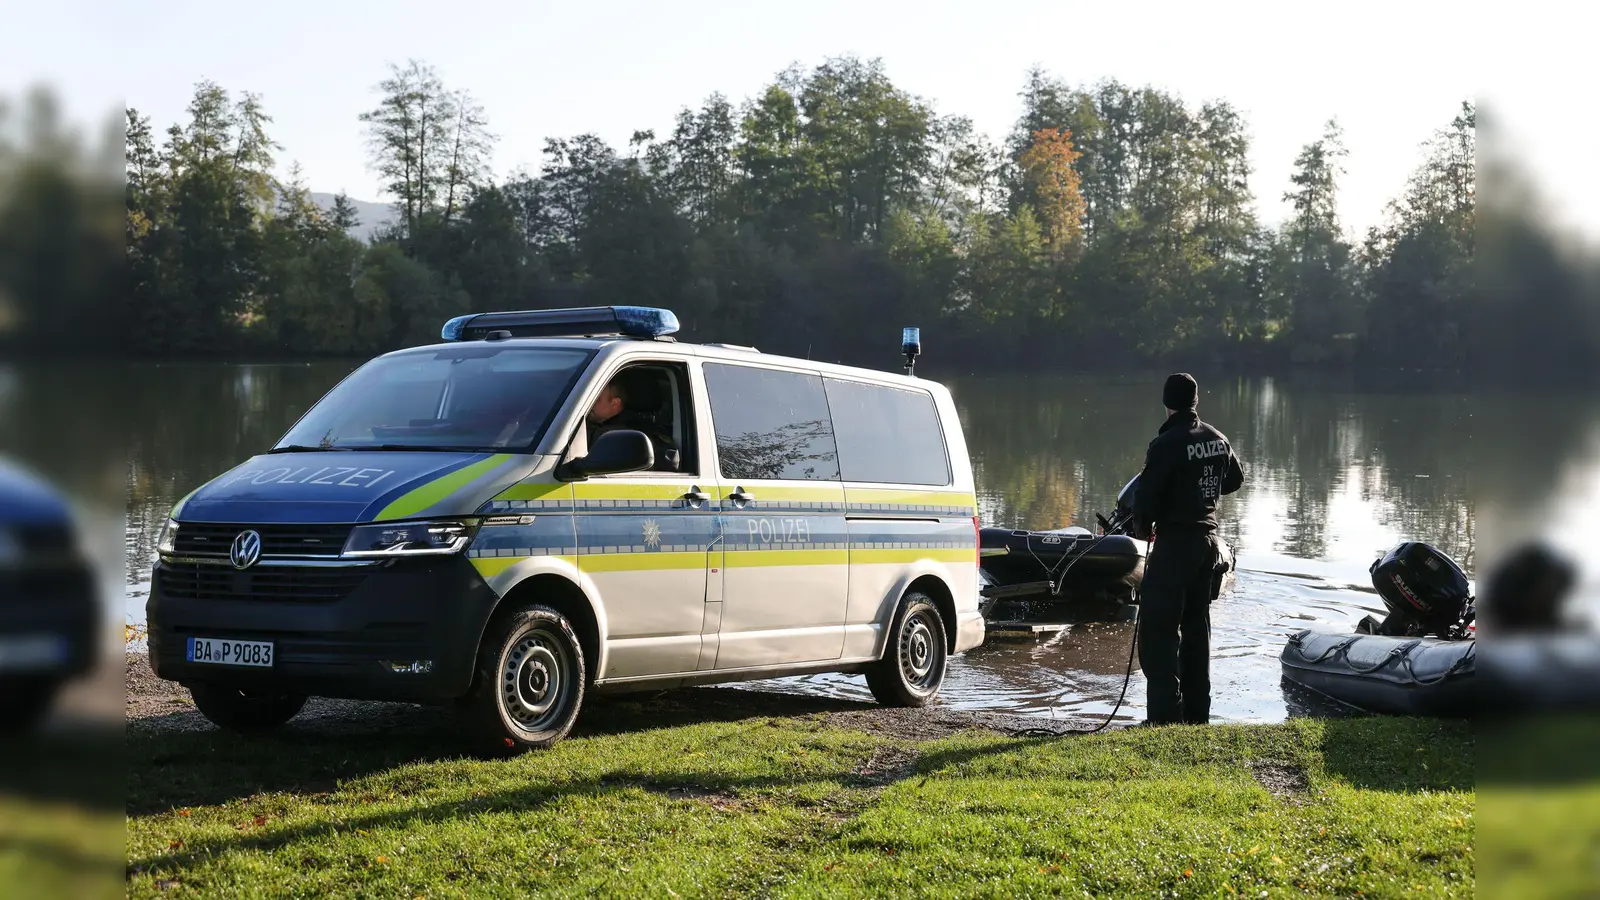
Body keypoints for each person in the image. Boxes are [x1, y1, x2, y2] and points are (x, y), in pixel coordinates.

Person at [1131, 373, 1244, 726]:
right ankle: (1197, 716)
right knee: (1196, 630)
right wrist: (1201, 491)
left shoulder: (1165, 444)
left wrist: (1144, 527)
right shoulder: (1216, 438)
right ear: (1196, 402)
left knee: (1158, 630)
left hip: (1175, 545)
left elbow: (1144, 501)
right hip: (1207, 547)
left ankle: (1164, 716)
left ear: (1167, 404)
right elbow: (1235, 479)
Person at [585, 375, 679, 471]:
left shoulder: (629, 433)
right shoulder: (586, 424)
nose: (589, 403)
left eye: (596, 399)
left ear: (615, 403)